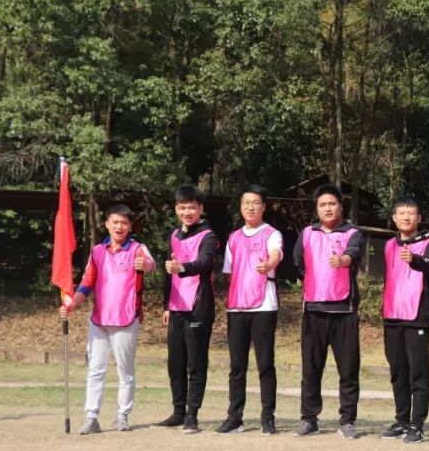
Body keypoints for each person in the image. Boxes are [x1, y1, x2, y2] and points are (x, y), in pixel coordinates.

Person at [60, 205, 155, 435]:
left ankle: (122, 416)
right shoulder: (97, 251)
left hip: (126, 318)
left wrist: (145, 265)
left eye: (124, 223)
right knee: (95, 369)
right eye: (115, 222)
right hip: (99, 320)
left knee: (125, 371)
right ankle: (91, 417)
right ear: (107, 224)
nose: (119, 227)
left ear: (130, 226)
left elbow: (150, 265)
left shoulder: (138, 248)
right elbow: (87, 283)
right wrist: (72, 304)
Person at [292, 184, 367, 439]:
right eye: (322, 204)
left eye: (332, 204)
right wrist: (311, 282)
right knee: (311, 369)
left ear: (341, 207)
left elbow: (354, 254)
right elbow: (297, 262)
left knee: (348, 369)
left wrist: (343, 260)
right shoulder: (307, 233)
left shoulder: (353, 233)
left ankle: (347, 420)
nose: (327, 208)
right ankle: (309, 419)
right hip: (313, 310)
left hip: (344, 311)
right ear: (317, 209)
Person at [217, 185, 283, 435]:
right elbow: (229, 272)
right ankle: (235, 417)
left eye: (255, 203)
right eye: (246, 203)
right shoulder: (233, 238)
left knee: (265, 363)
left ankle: (268, 417)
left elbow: (275, 255)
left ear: (263, 207)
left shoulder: (272, 234)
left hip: (264, 305)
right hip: (237, 307)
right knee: (237, 366)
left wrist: (268, 264)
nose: (250, 207)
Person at [157, 185, 219, 435]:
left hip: (198, 307)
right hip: (176, 307)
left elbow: (205, 263)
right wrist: (166, 305)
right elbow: (168, 273)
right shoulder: (174, 235)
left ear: (200, 208)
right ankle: (178, 411)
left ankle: (192, 414)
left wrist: (182, 268)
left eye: (191, 207)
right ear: (176, 209)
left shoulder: (208, 236)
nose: (187, 212)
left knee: (196, 362)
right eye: (182, 207)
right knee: (176, 362)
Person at [380, 197, 429, 444]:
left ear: (419, 218)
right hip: (392, 315)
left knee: (418, 372)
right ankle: (402, 420)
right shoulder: (388, 245)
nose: (406, 217)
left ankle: (417, 425)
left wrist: (414, 259)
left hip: (417, 315)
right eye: (401, 213)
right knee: (398, 372)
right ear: (394, 218)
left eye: (411, 213)